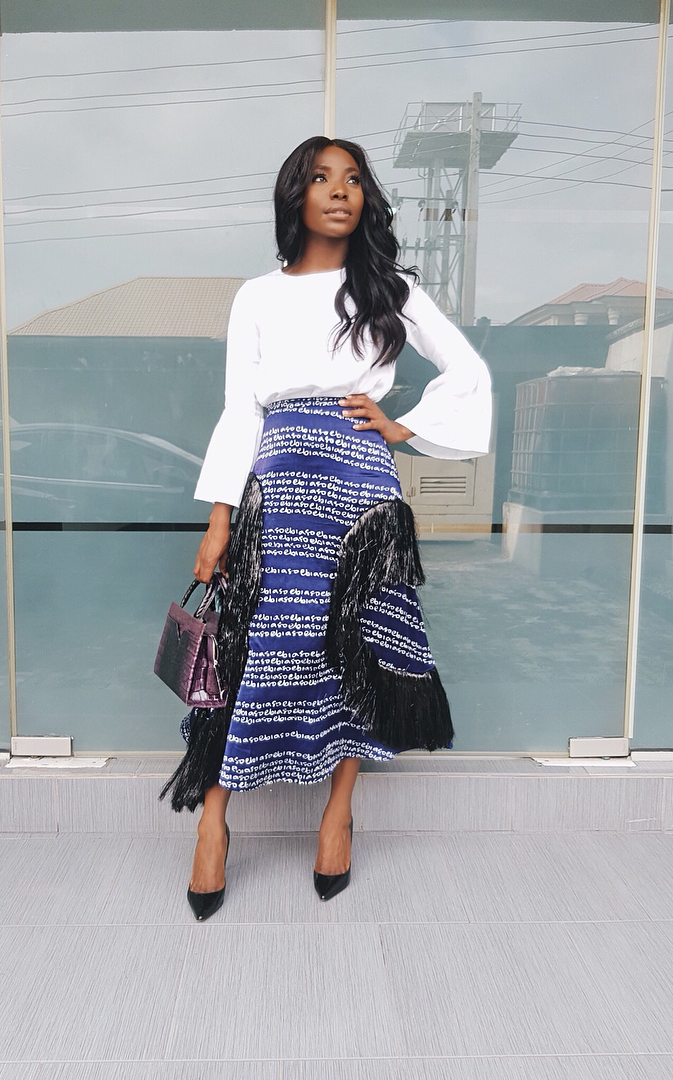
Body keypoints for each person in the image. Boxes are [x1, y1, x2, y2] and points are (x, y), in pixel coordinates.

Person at [158, 135, 493, 920]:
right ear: (296, 195)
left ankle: (338, 812)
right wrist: (219, 520)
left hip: (361, 489)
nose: (339, 190)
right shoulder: (257, 296)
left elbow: (468, 372)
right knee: (255, 645)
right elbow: (239, 411)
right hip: (278, 486)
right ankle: (212, 821)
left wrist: (401, 427)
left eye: (351, 179)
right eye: (320, 178)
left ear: (365, 197)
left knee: (356, 646)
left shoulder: (390, 288)